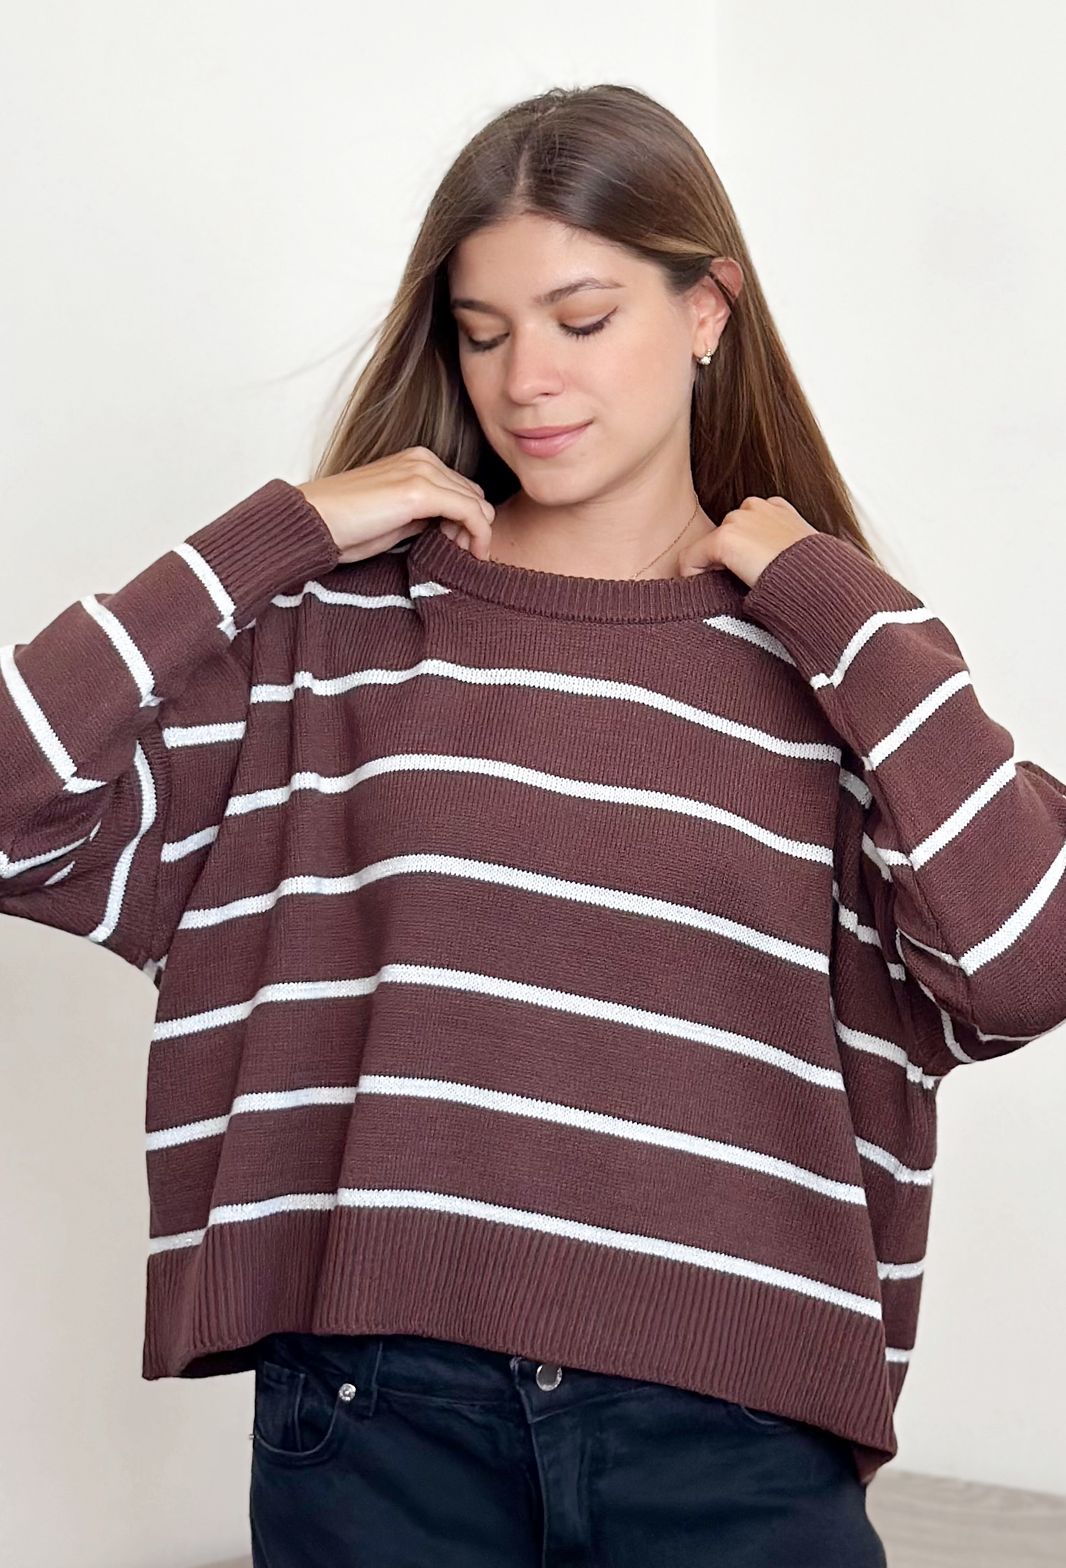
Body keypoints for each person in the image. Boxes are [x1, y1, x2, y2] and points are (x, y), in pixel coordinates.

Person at [4, 82, 1065, 1568]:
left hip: (738, 1434)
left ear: (708, 308)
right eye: (484, 331)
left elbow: (1024, 967)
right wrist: (281, 530)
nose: (527, 380)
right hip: (380, 1422)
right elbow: (16, 806)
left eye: (581, 318)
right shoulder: (332, 636)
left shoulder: (838, 668)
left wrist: (827, 592)